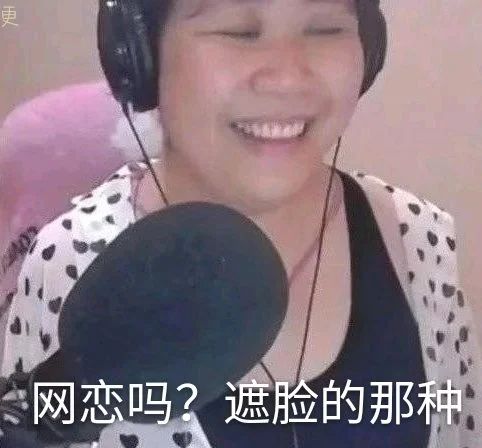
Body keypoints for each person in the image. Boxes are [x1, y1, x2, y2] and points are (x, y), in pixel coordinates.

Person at [1, 0, 481, 447]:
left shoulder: (417, 237)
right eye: (238, 32)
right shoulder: (69, 259)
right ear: (138, 53)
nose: (288, 78)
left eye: (326, 29)